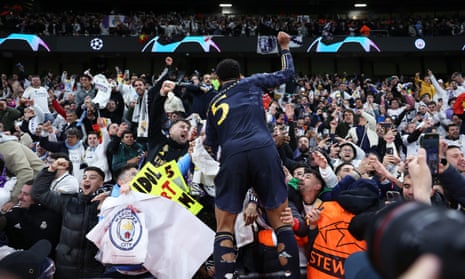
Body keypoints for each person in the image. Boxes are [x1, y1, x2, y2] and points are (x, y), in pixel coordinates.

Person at [204, 31, 300, 278]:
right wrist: (285, 47)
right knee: (280, 220)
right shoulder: (251, 82)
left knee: (224, 227)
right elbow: (287, 74)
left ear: (217, 79)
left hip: (232, 154)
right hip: (263, 148)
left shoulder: (213, 103)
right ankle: (291, 275)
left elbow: (212, 145)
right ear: (240, 75)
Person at [31, 159, 107, 278]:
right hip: (66, 266)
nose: (87, 179)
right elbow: (38, 193)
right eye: (84, 177)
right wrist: (51, 170)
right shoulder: (68, 201)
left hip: (94, 268)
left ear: (101, 183)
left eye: (92, 177)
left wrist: (111, 195)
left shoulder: (108, 204)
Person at [1, 181, 61, 257]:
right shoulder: (14, 213)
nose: (20, 197)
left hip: (39, 264)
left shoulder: (54, 218)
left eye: (26, 194)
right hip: (12, 263)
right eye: (20, 192)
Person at [0, 134, 45, 212]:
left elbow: (26, 173)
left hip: (39, 185)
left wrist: (14, 200)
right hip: (30, 184)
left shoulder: (6, 149)